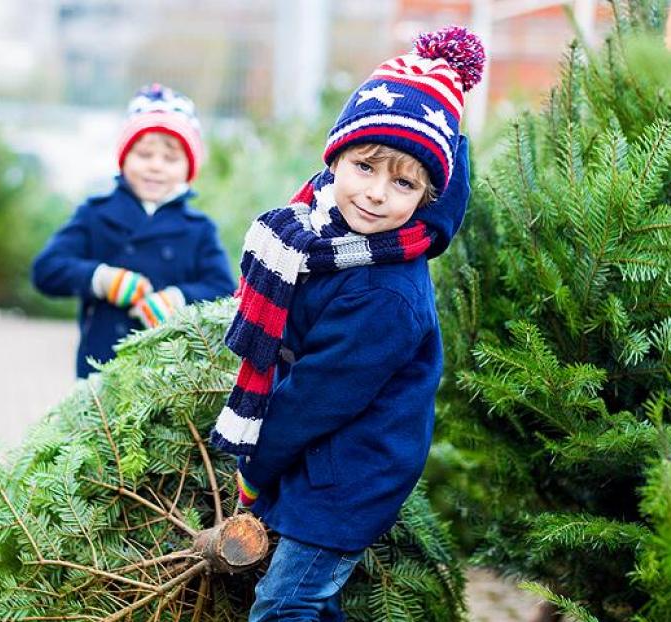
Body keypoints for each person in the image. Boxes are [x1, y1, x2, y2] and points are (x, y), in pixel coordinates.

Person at [210, 27, 485, 621]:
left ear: (427, 197)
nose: (377, 194)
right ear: (334, 156)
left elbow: (315, 396)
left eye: (405, 182)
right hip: (324, 453)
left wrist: (254, 472)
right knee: (310, 602)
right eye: (365, 166)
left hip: (351, 475)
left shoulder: (385, 294)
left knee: (286, 603)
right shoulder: (316, 232)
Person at [32, 84, 237, 378]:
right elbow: (47, 270)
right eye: (144, 154)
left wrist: (177, 299)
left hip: (172, 378)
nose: (155, 166)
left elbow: (223, 290)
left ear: (188, 168)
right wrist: (102, 279)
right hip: (101, 370)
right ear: (124, 158)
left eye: (170, 159)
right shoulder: (96, 214)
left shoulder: (199, 229)